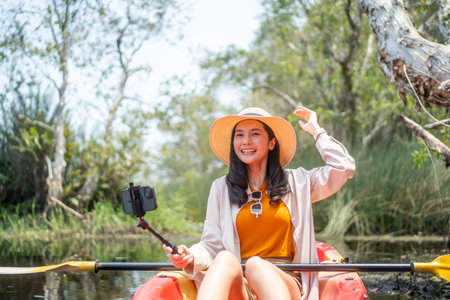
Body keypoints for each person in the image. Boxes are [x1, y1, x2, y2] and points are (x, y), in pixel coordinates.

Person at [164, 105, 355, 300]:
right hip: (242, 286)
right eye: (239, 135)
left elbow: (344, 168)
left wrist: (316, 130)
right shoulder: (221, 187)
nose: (246, 141)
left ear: (271, 143)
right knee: (224, 258)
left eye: (255, 134)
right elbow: (211, 245)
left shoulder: (298, 183)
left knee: (256, 264)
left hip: (287, 281)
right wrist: (191, 256)